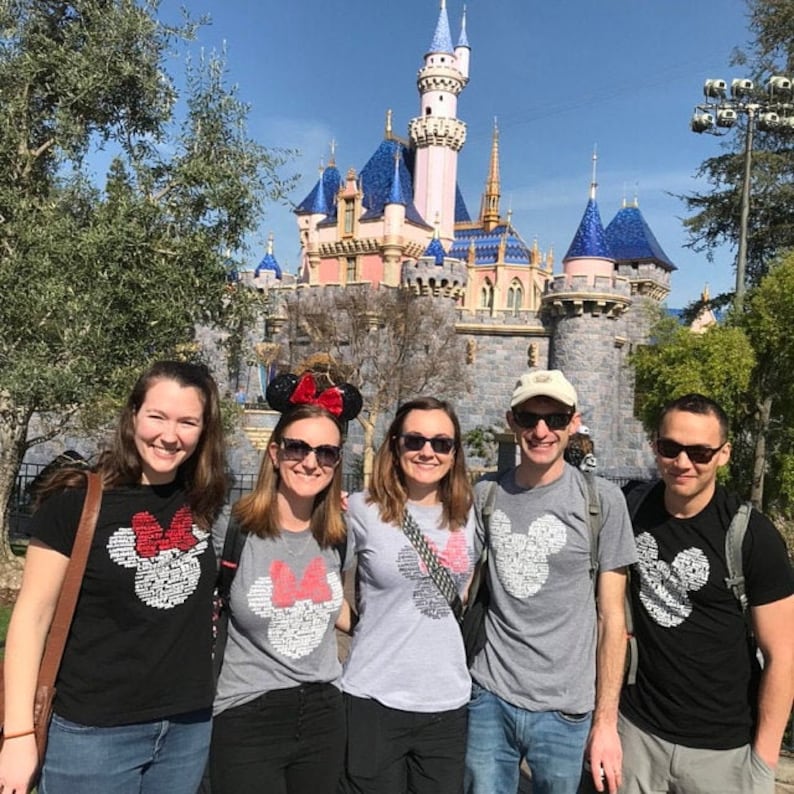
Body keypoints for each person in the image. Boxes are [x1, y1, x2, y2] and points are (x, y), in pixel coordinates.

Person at [0, 360, 228, 794]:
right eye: (157, 416)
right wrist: (17, 735)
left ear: (203, 432)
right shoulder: (76, 502)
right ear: (134, 416)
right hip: (92, 734)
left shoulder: (205, 501)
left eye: (187, 422)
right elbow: (30, 619)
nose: (169, 435)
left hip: (186, 727)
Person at [464, 369, 637, 794]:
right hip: (489, 696)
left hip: (566, 710)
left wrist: (606, 723)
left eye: (555, 419)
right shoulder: (485, 494)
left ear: (573, 423)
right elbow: (456, 575)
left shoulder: (601, 503)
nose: (541, 431)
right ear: (512, 422)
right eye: (529, 419)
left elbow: (612, 619)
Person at [618, 393, 794, 794]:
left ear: (724, 453)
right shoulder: (631, 509)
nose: (683, 463)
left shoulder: (751, 536)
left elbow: (784, 655)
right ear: (655, 445)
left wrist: (763, 762)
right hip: (638, 734)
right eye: (670, 448)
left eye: (699, 452)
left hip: (722, 750)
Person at [209, 372, 362, 794]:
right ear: (275, 452)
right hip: (246, 712)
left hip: (323, 712)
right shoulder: (234, 529)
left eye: (325, 453)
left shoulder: (339, 534)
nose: (310, 462)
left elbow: (339, 611)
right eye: (298, 447)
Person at [339, 397, 477, 794]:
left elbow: (471, 586)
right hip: (373, 698)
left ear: (454, 453)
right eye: (415, 440)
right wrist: (358, 626)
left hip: (446, 704)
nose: (427, 451)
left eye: (441, 443)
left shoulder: (469, 513)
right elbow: (322, 578)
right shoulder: (362, 510)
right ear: (395, 445)